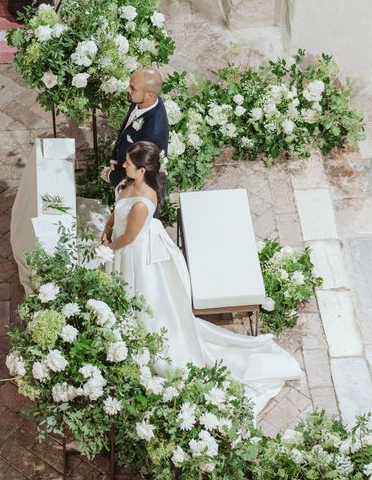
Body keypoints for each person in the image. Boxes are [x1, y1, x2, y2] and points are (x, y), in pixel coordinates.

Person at [101, 141, 302, 418]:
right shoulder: (127, 185)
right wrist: (107, 227)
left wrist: (105, 248)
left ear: (143, 169)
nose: (124, 165)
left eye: (129, 163)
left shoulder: (143, 202)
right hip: (124, 243)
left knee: (143, 302)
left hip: (135, 254)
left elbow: (128, 238)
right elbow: (117, 214)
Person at [101, 68, 169, 216]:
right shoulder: (141, 100)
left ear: (150, 94)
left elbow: (140, 172)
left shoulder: (153, 133)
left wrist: (110, 175)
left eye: (133, 87)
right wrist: (114, 159)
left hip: (139, 191)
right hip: (127, 168)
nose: (127, 89)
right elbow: (125, 132)